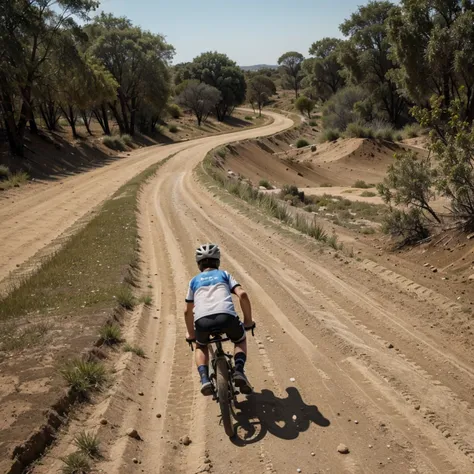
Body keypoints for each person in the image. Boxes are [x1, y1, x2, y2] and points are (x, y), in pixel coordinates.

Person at [185, 243, 255, 396]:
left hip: (202, 321)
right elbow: (242, 294)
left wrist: (191, 334)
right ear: (218, 262)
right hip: (226, 317)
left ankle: (204, 380)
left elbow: (187, 311)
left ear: (198, 265)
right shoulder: (224, 274)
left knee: (201, 346)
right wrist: (248, 321)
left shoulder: (194, 281)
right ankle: (239, 370)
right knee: (239, 340)